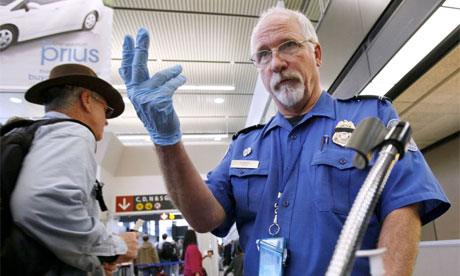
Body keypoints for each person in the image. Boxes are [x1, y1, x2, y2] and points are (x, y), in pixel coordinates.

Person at [118, 7, 450, 276]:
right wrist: (165, 140)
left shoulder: (371, 116)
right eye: (263, 55)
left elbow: (404, 204)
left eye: (288, 46)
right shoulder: (246, 147)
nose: (276, 62)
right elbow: (205, 218)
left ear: (316, 53)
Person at [10, 63, 139, 275]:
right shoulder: (72, 133)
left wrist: (94, 260)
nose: (106, 121)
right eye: (105, 110)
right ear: (86, 100)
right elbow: (44, 203)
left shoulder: (36, 134)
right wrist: (113, 248)